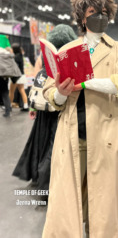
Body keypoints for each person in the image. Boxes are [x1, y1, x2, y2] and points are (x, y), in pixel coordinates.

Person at [42, 0, 118, 238]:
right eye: (93, 11)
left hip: (107, 138)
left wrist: (85, 82)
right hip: (72, 139)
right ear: (82, 17)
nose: (100, 16)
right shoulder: (67, 50)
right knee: (68, 206)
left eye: (104, 12)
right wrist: (62, 92)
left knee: (104, 206)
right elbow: (50, 94)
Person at [12, 24, 77, 192]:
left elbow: (38, 79)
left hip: (44, 109)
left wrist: (34, 106)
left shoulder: (45, 56)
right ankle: (47, 185)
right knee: (54, 146)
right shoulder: (72, 59)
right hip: (61, 110)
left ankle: (39, 179)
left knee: (40, 144)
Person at [9, 43, 29, 111]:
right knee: (22, 91)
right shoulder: (20, 55)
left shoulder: (15, 57)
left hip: (16, 76)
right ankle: (26, 106)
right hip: (21, 76)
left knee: (11, 91)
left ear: (14, 49)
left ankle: (9, 105)